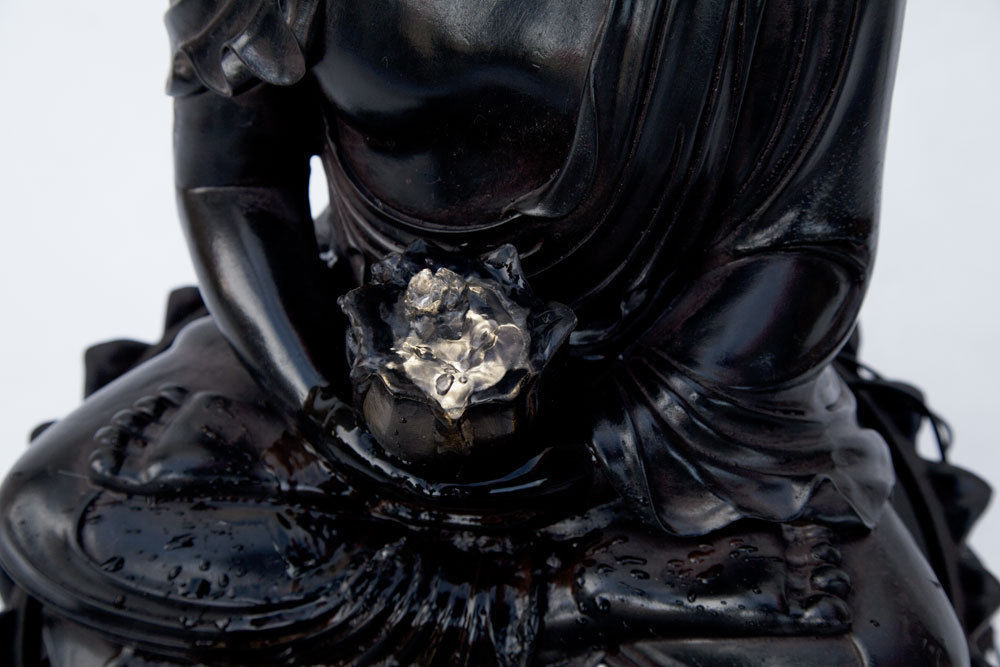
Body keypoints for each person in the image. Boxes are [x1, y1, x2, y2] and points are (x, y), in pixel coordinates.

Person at [0, 1, 993, 664]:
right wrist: (327, 404)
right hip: (344, 351)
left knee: (881, 650)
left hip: (673, 409)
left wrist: (591, 447)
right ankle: (562, 599)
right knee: (56, 509)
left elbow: (805, 248)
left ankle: (498, 590)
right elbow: (232, 178)